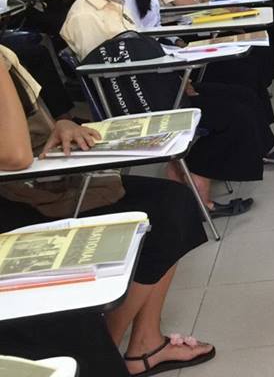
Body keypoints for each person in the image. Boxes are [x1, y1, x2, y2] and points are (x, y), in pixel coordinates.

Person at [0, 45, 215, 376]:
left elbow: (30, 124)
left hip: (37, 182)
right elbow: (15, 156)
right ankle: (111, 352)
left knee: (173, 205)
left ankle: (144, 344)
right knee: (165, 211)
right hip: (17, 199)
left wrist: (62, 125)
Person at [60, 0, 272, 217]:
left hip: (151, 86)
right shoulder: (85, 16)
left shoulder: (112, 1)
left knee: (242, 96)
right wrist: (175, 78)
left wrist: (176, 74)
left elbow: (136, 52)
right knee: (234, 114)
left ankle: (186, 170)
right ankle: (195, 183)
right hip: (135, 102)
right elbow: (110, 75)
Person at [113, 0, 274, 165]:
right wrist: (179, 51)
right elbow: (141, 36)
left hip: (172, 45)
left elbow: (156, 25)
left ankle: (259, 139)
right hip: (165, 56)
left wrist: (178, 44)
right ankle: (256, 143)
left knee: (250, 62)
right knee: (242, 70)